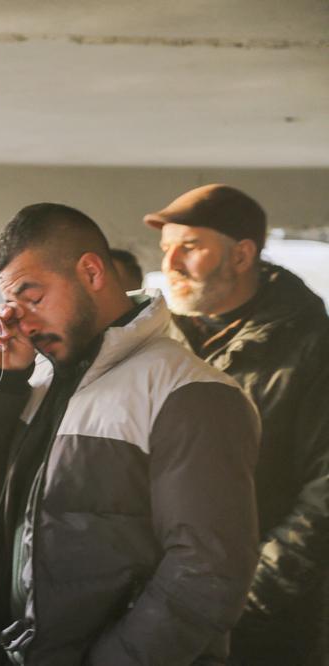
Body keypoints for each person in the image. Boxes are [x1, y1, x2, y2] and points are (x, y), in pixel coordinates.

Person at [0, 203, 260, 665]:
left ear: (92, 272)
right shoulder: (40, 378)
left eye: (32, 297)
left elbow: (207, 571)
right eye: (13, 305)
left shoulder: (190, 390)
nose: (24, 321)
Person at [146, 183, 329, 665]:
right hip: (158, 611)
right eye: (167, 249)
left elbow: (324, 490)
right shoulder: (154, 341)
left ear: (242, 255)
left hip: (263, 623)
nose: (170, 265)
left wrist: (249, 593)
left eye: (190, 247)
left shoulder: (311, 346)